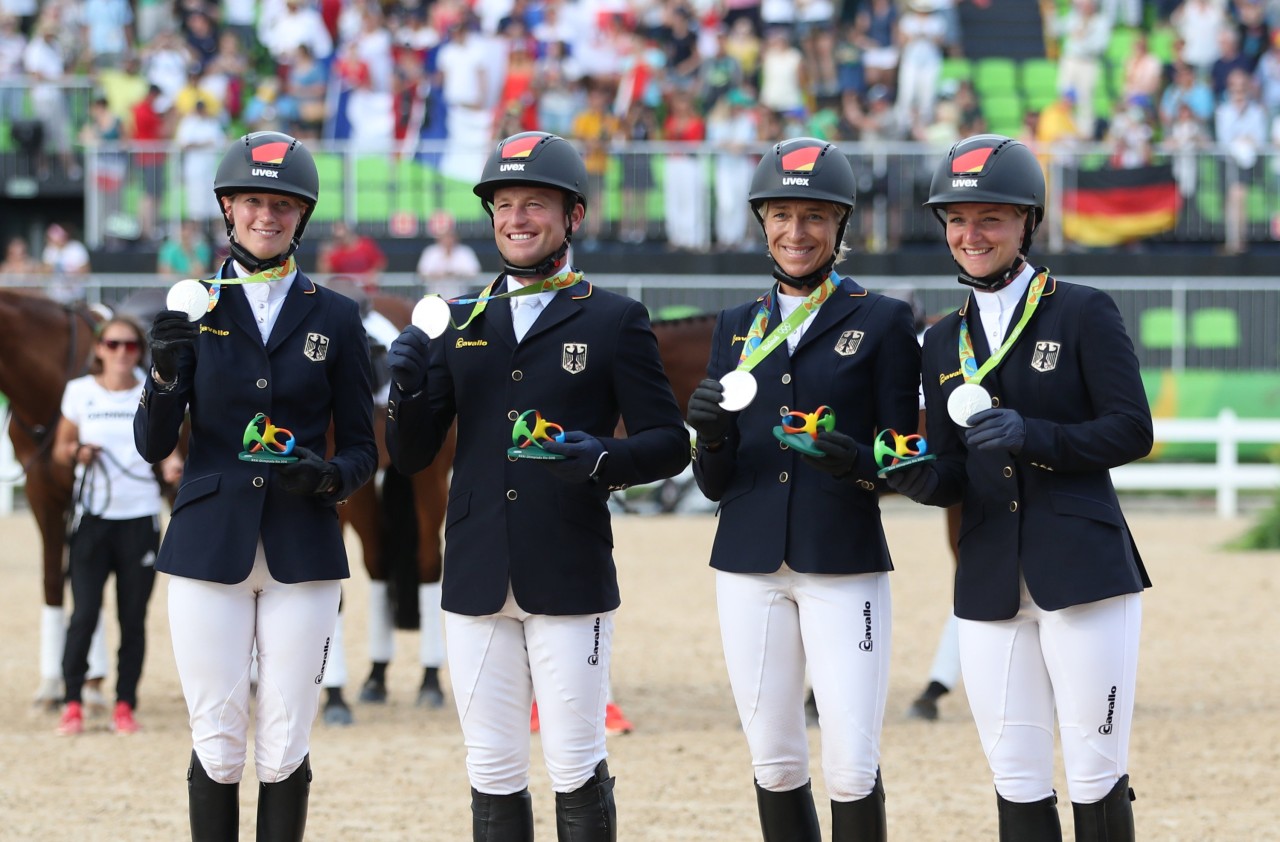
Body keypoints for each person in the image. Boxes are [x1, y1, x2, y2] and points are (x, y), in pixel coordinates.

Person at [384, 130, 689, 840]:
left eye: (536, 204)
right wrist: (404, 388)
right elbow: (410, 454)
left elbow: (669, 444)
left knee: (575, 758)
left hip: (570, 565)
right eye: (505, 205)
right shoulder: (459, 319)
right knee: (491, 766)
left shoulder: (616, 318)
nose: (517, 218)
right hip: (476, 568)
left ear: (571, 217)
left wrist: (602, 458)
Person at [886, 134, 1152, 840]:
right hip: (989, 582)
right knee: (1016, 779)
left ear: (1027, 222)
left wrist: (1037, 435)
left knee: (1096, 775)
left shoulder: (1083, 310)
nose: (971, 235)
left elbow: (1132, 431)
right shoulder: (941, 341)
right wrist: (913, 477)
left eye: (990, 218)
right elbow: (950, 472)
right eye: (957, 221)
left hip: (1082, 571)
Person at [134, 130, 377, 840]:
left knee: (284, 741)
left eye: (281, 204)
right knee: (217, 736)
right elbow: (152, 444)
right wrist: (166, 373)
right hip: (210, 543)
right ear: (228, 209)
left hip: (303, 542)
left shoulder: (336, 314)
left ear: (301, 216)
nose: (265, 216)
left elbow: (362, 444)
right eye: (252, 202)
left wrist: (331, 477)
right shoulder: (191, 306)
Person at [685, 137, 920, 840]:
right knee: (776, 761)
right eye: (782, 215)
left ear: (839, 226)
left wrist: (854, 462)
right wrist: (712, 434)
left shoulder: (882, 321)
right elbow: (715, 481)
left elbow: (901, 464)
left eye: (814, 217)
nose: (796, 232)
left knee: (852, 763)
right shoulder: (736, 325)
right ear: (763, 223)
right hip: (747, 564)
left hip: (842, 559)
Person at [53, 317, 181, 737]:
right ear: (99, 349)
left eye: (130, 345)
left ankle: (125, 703)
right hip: (93, 517)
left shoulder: (152, 388)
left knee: (133, 617)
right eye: (114, 344)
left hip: (139, 518)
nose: (123, 352)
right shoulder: (79, 393)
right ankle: (72, 701)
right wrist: (78, 452)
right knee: (84, 613)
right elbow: (60, 450)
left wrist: (172, 463)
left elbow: (164, 443)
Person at [415, 210, 481, 300]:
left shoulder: (465, 252)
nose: (448, 240)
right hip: (435, 298)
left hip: (460, 297)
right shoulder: (431, 252)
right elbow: (422, 272)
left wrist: (456, 274)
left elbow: (474, 271)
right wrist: (439, 275)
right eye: (445, 237)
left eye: (450, 236)